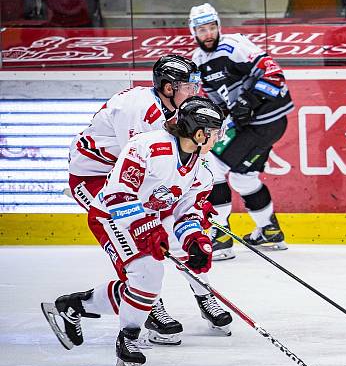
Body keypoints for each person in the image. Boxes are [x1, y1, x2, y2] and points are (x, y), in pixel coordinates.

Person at [42, 97, 225, 366]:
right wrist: (146, 230)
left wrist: (194, 240)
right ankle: (127, 339)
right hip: (112, 216)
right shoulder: (147, 147)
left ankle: (74, 305)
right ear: (200, 134)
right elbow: (118, 196)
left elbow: (186, 212)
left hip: (146, 218)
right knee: (147, 274)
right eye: (216, 133)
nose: (218, 138)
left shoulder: (201, 169)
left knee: (149, 282)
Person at [65, 55, 232, 345]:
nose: (194, 92)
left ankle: (204, 294)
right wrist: (160, 217)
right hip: (95, 178)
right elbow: (137, 176)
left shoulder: (178, 114)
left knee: (183, 236)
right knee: (135, 245)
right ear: (168, 88)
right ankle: (149, 304)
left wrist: (190, 204)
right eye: (188, 87)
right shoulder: (139, 113)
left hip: (131, 176)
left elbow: (176, 174)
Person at [188, 3, 295, 260]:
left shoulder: (234, 46)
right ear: (194, 32)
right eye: (202, 29)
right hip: (253, 125)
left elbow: (274, 74)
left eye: (212, 27)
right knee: (242, 178)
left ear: (219, 27)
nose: (209, 34)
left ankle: (221, 237)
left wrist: (250, 101)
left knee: (211, 166)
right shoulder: (198, 61)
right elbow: (216, 102)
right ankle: (269, 232)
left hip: (265, 120)